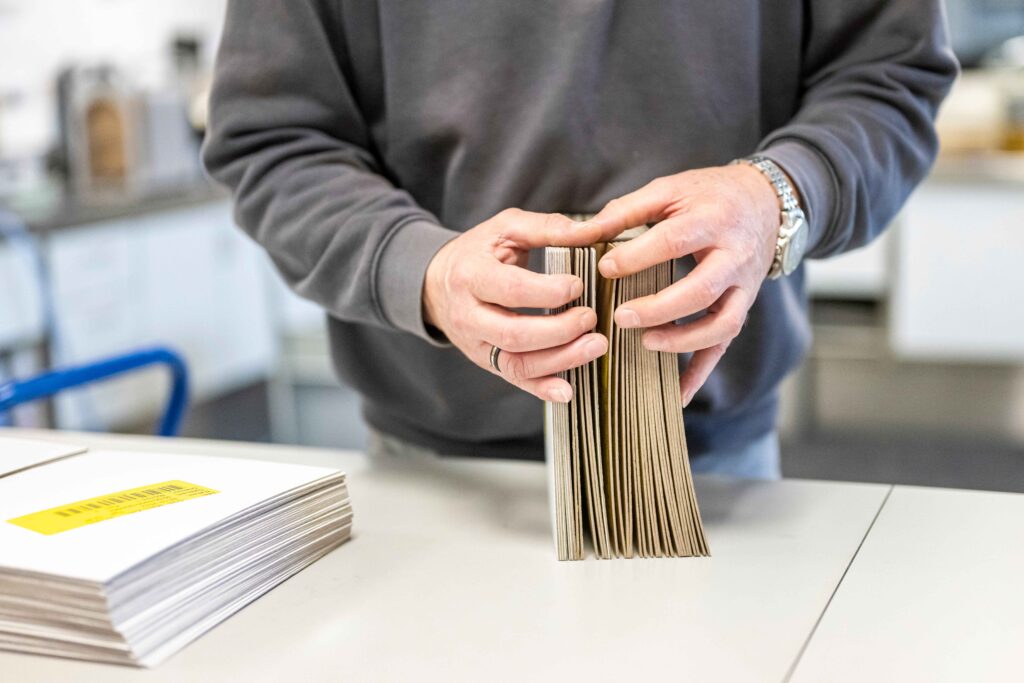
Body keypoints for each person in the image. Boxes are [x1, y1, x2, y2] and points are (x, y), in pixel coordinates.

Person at [203, 1, 958, 479]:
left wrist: (778, 195)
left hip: (716, 462)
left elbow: (889, 77)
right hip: (436, 467)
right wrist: (420, 269)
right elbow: (275, 140)